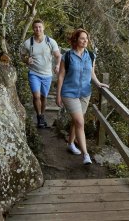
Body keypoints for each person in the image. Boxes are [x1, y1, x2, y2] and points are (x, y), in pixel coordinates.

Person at [56, 28, 108, 165]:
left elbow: (91, 72)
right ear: (75, 40)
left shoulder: (91, 55)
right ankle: (86, 155)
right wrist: (58, 95)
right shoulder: (67, 56)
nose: (85, 41)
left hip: (85, 93)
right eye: (82, 38)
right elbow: (61, 76)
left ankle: (70, 143)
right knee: (80, 122)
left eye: (86, 38)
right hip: (69, 93)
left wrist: (98, 83)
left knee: (76, 121)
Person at [21, 19, 61, 128]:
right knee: (36, 96)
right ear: (33, 29)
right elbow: (22, 56)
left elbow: (58, 55)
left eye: (39, 27)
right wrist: (26, 60)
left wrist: (57, 65)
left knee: (44, 97)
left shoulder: (50, 41)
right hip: (34, 73)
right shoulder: (28, 43)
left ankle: (42, 115)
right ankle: (39, 117)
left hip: (47, 74)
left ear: (43, 28)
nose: (38, 29)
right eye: (35, 27)